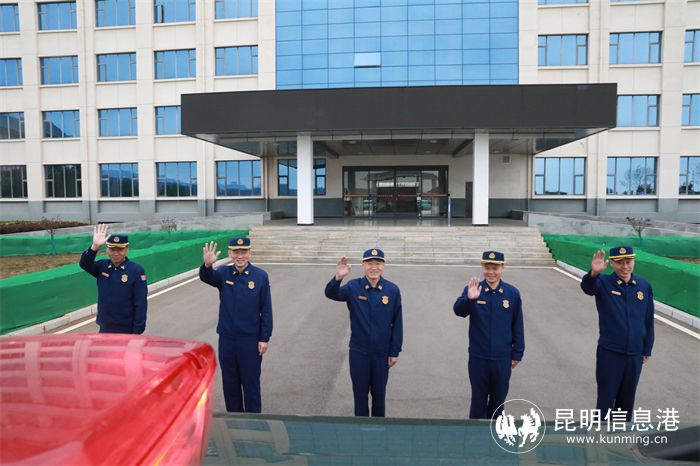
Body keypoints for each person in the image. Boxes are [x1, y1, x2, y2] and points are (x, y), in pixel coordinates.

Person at [324, 249, 403, 417]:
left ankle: (379, 429)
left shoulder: (392, 290)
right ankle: (360, 428)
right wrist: (338, 278)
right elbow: (331, 294)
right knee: (360, 395)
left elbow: (397, 323)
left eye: (378, 264)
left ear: (383, 266)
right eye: (369, 264)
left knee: (379, 395)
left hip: (381, 353)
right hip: (359, 353)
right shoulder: (354, 287)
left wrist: (394, 351)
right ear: (363, 266)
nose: (374, 268)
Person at [580, 246, 654, 422]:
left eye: (628, 262)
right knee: (606, 399)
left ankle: (620, 436)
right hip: (610, 353)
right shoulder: (603, 283)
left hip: (635, 354)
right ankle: (601, 435)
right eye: (620, 263)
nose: (625, 266)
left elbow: (648, 319)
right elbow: (588, 288)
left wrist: (647, 348)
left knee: (627, 400)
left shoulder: (643, 286)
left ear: (633, 261)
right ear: (612, 263)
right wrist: (594, 273)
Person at [199, 237, 272, 413]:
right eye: (236, 252)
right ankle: (235, 418)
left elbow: (266, 309)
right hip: (228, 339)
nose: (240, 256)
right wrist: (207, 265)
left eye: (243, 252)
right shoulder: (223, 273)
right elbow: (207, 277)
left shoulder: (260, 276)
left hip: (250, 340)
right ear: (230, 253)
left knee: (251, 382)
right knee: (230, 382)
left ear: (249, 253)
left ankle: (254, 420)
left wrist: (264, 338)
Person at [453, 250, 525, 420]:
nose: (490, 272)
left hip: (502, 358)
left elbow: (517, 324)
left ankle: (495, 434)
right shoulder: (473, 289)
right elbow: (459, 311)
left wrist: (518, 352)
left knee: (498, 402)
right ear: (482, 267)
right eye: (487, 268)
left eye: (495, 268)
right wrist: (470, 299)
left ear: (502, 268)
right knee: (478, 401)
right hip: (479, 357)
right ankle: (475, 435)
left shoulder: (512, 293)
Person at [79, 224, 148, 334]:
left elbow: (140, 302)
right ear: (107, 249)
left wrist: (138, 329)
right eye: (112, 249)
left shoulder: (136, 270)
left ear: (127, 249)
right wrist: (94, 246)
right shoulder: (102, 266)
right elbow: (84, 264)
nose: (116, 253)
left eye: (120, 249)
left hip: (127, 328)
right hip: (105, 326)